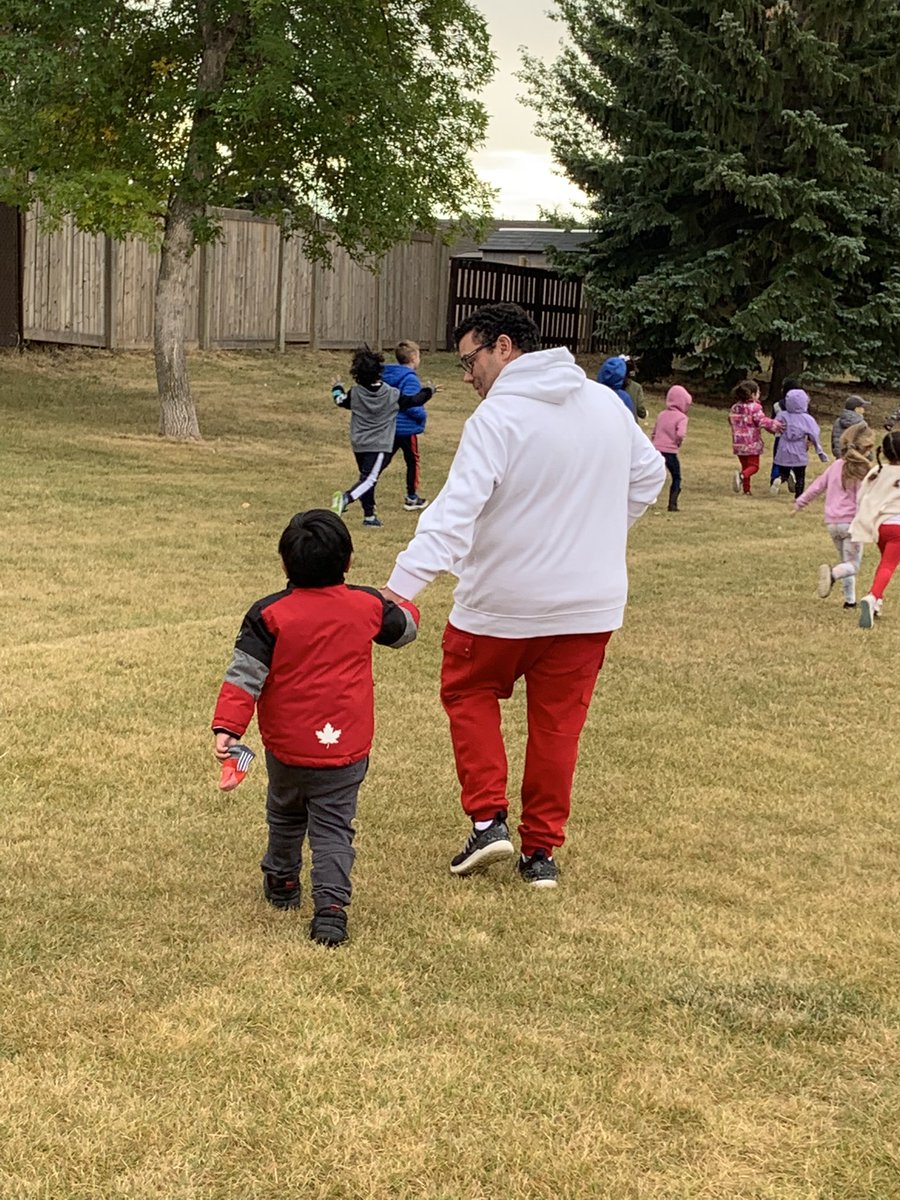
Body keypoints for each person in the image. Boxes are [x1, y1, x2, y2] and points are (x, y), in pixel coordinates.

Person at [381, 303, 666, 888]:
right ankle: (540, 855)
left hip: (502, 603)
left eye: (469, 360)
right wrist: (601, 535)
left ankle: (488, 821)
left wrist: (398, 590)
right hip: (589, 605)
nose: (466, 375)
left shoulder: (499, 417)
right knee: (560, 726)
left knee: (468, 690)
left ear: (503, 347)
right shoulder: (605, 404)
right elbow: (649, 476)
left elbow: (453, 514)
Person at [211, 510, 419, 946]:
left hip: (287, 748)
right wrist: (403, 603)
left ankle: (282, 882)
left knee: (285, 813)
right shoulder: (367, 605)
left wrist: (228, 727)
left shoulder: (269, 614)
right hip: (347, 747)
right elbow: (404, 632)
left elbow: (243, 675)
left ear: (285, 564)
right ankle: (330, 909)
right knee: (334, 827)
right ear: (348, 561)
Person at [331, 345, 433, 527]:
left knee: (366, 478)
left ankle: (369, 517)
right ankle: (346, 498)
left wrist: (337, 387)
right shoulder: (391, 395)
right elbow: (414, 400)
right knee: (369, 479)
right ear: (379, 371)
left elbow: (339, 400)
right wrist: (429, 391)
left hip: (359, 443)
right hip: (379, 445)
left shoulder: (355, 393)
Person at [792, 423, 875, 609]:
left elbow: (817, 486)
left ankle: (850, 600)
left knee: (845, 561)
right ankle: (832, 575)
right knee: (852, 565)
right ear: (866, 449)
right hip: (852, 525)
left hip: (833, 523)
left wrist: (800, 503)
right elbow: (865, 499)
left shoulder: (836, 466)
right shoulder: (863, 471)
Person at [850, 431, 900, 629]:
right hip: (898, 528)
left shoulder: (877, 471)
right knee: (888, 565)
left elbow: (862, 496)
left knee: (885, 564)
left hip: (880, 527)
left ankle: (878, 601)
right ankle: (872, 597)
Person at [382, 339, 431, 511]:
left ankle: (366, 483)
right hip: (406, 428)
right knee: (412, 461)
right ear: (413, 357)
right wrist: (422, 416)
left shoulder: (389, 375)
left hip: (391, 426)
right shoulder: (410, 379)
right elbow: (410, 403)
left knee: (382, 460)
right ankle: (412, 497)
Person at [728, 379, 783, 496]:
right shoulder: (755, 408)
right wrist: (776, 425)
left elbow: (731, 420)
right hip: (751, 442)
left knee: (745, 466)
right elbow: (762, 421)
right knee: (754, 466)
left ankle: (746, 490)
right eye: (758, 392)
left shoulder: (735, 407)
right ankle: (741, 476)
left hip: (738, 443)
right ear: (752, 394)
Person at [771, 388, 828, 496]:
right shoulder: (807, 419)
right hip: (798, 449)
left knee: (784, 470)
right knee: (800, 475)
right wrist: (819, 450)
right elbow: (814, 434)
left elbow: (774, 426)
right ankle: (799, 495)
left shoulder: (782, 415)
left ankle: (780, 478)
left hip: (783, 447)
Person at [651, 384, 692, 511]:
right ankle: (672, 504)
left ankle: (646, 497)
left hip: (656, 449)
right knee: (676, 476)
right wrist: (677, 442)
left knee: (653, 474)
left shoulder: (662, 414)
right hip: (670, 450)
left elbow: (654, 431)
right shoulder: (682, 417)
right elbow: (680, 433)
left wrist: (655, 442)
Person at [769, 375, 801, 491]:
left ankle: (775, 478)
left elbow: (773, 422)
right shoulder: (801, 405)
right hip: (796, 438)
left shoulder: (777, 405)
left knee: (777, 459)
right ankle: (791, 474)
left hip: (780, 437)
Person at [622, 356, 647, 421]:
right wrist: (644, 414)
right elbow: (640, 409)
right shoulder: (637, 387)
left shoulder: (610, 386)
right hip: (631, 423)